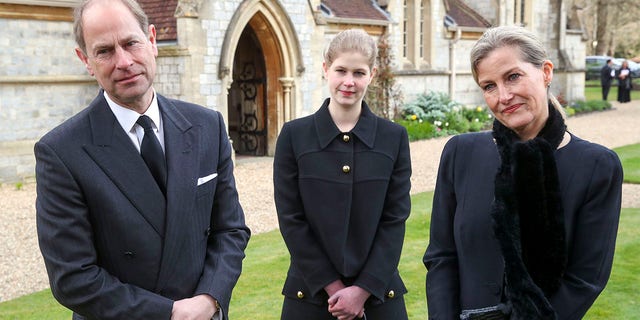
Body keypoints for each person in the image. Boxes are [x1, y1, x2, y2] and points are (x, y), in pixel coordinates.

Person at [34, 0, 250, 319]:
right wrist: (171, 313)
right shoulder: (61, 152)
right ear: (86, 60)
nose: (123, 61)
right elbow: (73, 278)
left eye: (130, 43)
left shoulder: (207, 126)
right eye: (104, 51)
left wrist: (209, 298)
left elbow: (230, 230)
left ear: (151, 40)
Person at [423, 26, 622, 320]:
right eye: (489, 86)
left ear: (546, 72)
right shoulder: (460, 153)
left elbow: (586, 278)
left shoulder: (596, 166)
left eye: (513, 77)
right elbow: (441, 256)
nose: (503, 95)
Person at [273, 29, 412, 320]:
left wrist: (362, 290)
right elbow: (291, 220)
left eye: (359, 73)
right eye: (341, 71)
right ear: (326, 69)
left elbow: (394, 220)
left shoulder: (393, 138)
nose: (349, 82)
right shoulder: (294, 136)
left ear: (372, 74)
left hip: (379, 299)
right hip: (310, 300)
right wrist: (335, 288)